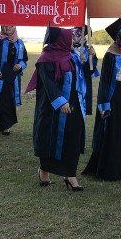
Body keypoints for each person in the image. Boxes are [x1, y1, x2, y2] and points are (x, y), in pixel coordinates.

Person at [82, 18, 121, 181]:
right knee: (114, 133)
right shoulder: (111, 55)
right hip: (114, 96)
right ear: (120, 38)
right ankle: (111, 170)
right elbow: (104, 82)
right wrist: (104, 105)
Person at [26, 27, 86, 191]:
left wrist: (87, 59)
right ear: (61, 40)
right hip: (51, 108)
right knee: (49, 140)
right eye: (69, 37)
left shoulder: (71, 56)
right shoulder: (46, 58)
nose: (73, 40)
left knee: (72, 138)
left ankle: (70, 174)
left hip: (72, 104)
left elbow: (80, 78)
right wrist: (60, 102)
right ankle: (44, 172)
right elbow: (48, 83)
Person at [0, 25, 28, 135]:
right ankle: (1, 124)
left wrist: (20, 65)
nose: (8, 27)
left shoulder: (19, 43)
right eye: (5, 25)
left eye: (11, 25)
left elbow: (24, 59)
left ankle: (6, 125)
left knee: (9, 101)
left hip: (12, 78)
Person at [72, 25, 99, 116]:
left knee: (81, 111)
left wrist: (88, 59)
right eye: (74, 34)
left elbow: (90, 70)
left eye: (79, 34)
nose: (75, 36)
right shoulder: (68, 48)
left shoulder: (89, 50)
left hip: (83, 85)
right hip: (71, 85)